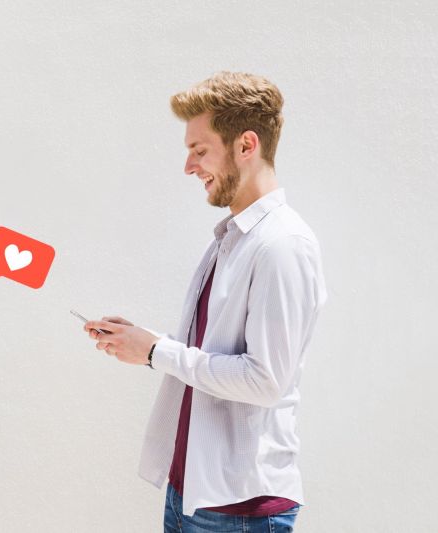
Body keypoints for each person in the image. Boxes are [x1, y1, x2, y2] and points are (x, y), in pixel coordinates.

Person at [83, 72, 326, 532]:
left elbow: (265, 380)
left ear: (246, 145)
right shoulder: (232, 238)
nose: (189, 167)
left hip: (239, 509)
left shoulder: (282, 245)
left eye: (199, 150)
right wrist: (145, 343)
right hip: (192, 491)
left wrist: (157, 352)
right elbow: (216, 351)